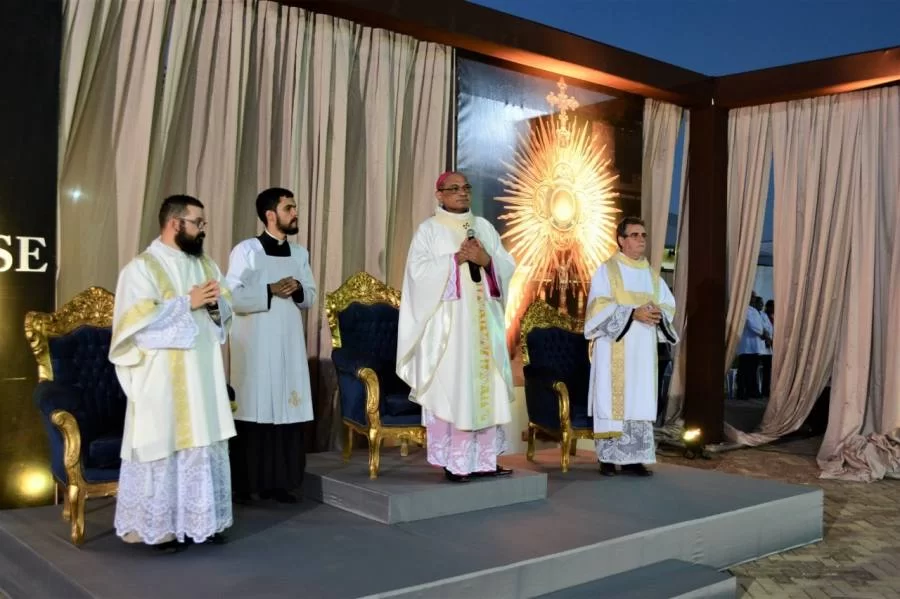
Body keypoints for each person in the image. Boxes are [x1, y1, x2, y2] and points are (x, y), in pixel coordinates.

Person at [109, 194, 235, 552]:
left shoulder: (206, 265)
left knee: (203, 441)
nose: (203, 231)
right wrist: (187, 303)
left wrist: (215, 307)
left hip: (203, 377)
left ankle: (203, 522)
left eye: (204, 224)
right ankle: (159, 529)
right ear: (175, 223)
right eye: (198, 223)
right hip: (161, 380)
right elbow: (134, 328)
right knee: (164, 444)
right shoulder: (140, 269)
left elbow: (225, 311)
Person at [396, 171, 517, 483]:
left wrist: (486, 260)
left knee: (486, 388)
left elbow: (506, 266)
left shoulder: (485, 228)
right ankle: (457, 461)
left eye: (466, 188)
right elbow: (417, 276)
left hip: (484, 325)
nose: (462, 193)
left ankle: (485, 461)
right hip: (450, 330)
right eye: (454, 189)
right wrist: (455, 260)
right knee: (457, 390)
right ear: (439, 194)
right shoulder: (429, 231)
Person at [226, 187, 317, 504]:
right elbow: (231, 297)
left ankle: (280, 482)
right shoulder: (246, 251)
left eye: (295, 207)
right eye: (289, 208)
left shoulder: (300, 253)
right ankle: (246, 484)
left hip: (289, 343)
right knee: (255, 409)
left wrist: (298, 289)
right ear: (270, 215)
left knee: (286, 411)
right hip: (255, 344)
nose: (295, 213)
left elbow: (312, 295)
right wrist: (268, 289)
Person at [584, 216, 678, 477]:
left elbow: (668, 305)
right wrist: (631, 313)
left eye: (643, 235)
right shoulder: (608, 270)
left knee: (638, 400)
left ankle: (633, 458)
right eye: (635, 235)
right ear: (621, 240)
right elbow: (597, 308)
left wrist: (656, 312)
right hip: (615, 347)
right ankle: (608, 458)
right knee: (613, 402)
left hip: (643, 352)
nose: (641, 240)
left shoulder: (651, 275)